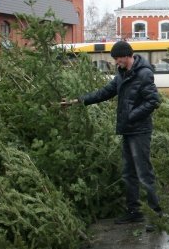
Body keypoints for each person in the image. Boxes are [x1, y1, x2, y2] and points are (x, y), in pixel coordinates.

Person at [61, 40, 162, 229]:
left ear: (126, 56)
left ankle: (156, 215)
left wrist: (132, 116)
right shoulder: (122, 75)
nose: (116, 62)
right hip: (127, 130)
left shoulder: (144, 74)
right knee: (129, 173)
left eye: (117, 59)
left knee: (144, 173)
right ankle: (134, 212)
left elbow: (153, 101)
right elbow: (104, 92)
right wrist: (79, 101)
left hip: (140, 131)